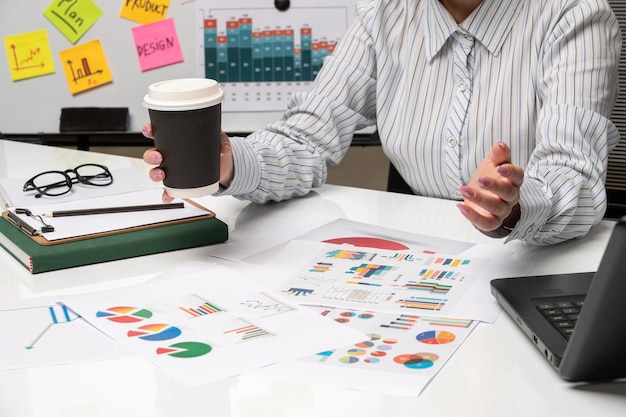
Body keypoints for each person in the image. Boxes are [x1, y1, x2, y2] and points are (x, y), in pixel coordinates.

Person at [143, 0, 622, 245]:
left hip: (530, 256)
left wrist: (513, 207)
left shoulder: (575, 15)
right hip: (420, 256)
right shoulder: (384, 16)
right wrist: (230, 161)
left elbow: (573, 173)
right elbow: (307, 137)